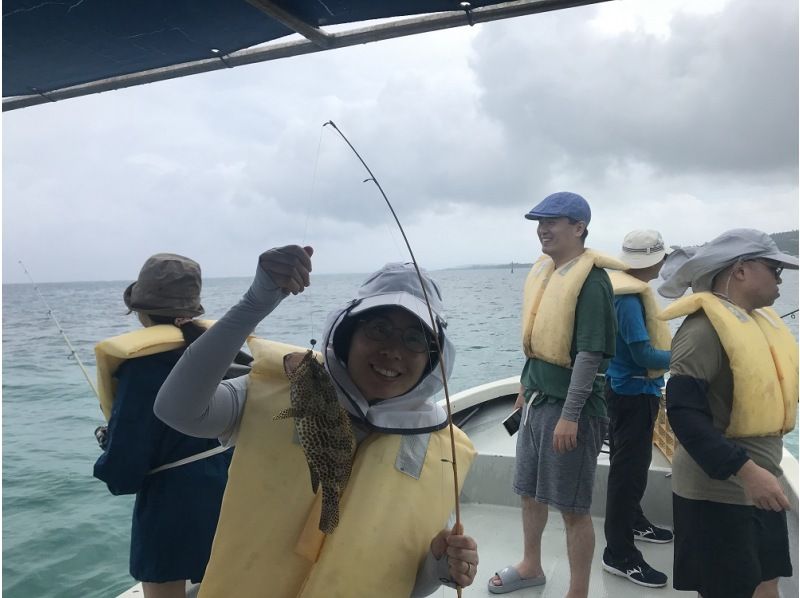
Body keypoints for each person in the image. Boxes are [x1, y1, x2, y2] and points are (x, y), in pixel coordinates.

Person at [153, 245, 479, 598]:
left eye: (415, 338)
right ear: (347, 333)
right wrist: (254, 304)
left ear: (433, 357)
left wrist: (441, 566)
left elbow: (409, 583)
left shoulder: (444, 450)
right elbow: (177, 410)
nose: (393, 350)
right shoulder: (284, 388)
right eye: (379, 329)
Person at [93, 254, 251, 598]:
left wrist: (108, 452)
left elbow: (125, 469)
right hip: (230, 492)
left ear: (140, 310)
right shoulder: (226, 354)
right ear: (192, 309)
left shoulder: (141, 369)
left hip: (171, 506)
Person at [488, 192, 621, 597]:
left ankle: (577, 591)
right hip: (536, 402)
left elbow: (589, 354)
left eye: (553, 221)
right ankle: (531, 564)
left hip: (571, 409)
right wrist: (524, 389)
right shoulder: (547, 270)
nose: (543, 229)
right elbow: (540, 341)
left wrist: (571, 415)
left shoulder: (593, 281)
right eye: (539, 222)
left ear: (579, 227)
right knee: (529, 492)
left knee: (573, 508)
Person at [659, 229, 798, 598]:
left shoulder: (758, 322)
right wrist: (748, 473)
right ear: (740, 270)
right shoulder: (702, 331)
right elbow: (684, 414)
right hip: (719, 495)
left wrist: (758, 478)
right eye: (773, 268)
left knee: (767, 581)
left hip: (760, 486)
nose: (781, 278)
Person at [602, 230, 673, 588]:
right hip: (632, 395)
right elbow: (644, 355)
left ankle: (634, 520)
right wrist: (684, 355)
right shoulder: (629, 300)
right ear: (653, 260)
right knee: (627, 474)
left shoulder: (626, 290)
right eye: (662, 257)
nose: (664, 262)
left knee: (630, 466)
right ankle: (619, 554)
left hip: (623, 391)